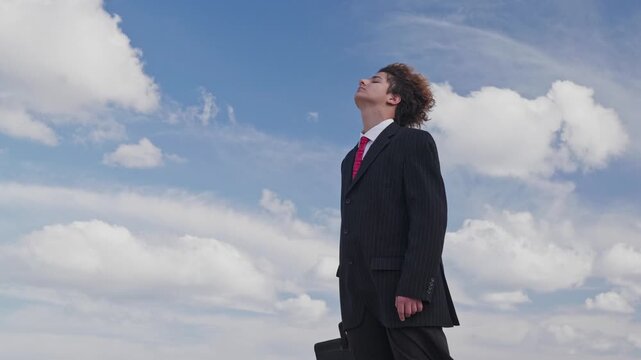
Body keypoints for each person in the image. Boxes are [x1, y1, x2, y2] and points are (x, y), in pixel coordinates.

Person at [337, 63, 459, 360]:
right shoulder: (350, 159)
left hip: (402, 294)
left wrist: (415, 286)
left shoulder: (413, 143)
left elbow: (429, 217)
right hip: (360, 302)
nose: (362, 80)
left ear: (394, 98)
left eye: (376, 79)